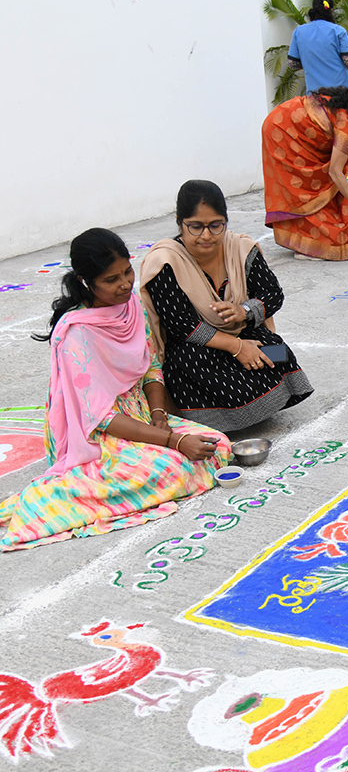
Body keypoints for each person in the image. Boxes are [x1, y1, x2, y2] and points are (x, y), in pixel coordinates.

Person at [0, 230, 232, 552]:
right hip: (98, 431)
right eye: (111, 279)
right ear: (86, 282)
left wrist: (159, 415)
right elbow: (100, 416)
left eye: (127, 272)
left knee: (217, 445)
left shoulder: (130, 305)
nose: (124, 284)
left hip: (139, 414)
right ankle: (42, 502)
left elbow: (150, 365)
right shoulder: (76, 334)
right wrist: (172, 439)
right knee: (171, 467)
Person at [140, 181, 313, 431]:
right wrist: (237, 347)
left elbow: (272, 294)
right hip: (195, 349)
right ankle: (224, 417)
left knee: (279, 353)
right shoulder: (165, 262)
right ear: (180, 222)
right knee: (199, 365)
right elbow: (181, 325)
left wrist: (244, 311)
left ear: (226, 221)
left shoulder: (240, 248)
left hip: (242, 336)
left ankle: (253, 404)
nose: (207, 236)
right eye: (196, 227)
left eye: (215, 225)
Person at [262, 86, 348, 260]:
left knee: (345, 219)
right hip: (283, 130)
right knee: (304, 191)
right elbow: (335, 172)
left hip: (288, 121)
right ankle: (305, 246)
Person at [287, 0, 348, 197]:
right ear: (330, 11)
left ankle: (323, 187)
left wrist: (312, 61)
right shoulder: (337, 31)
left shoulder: (299, 32)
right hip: (344, 97)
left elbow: (293, 64)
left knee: (321, 141)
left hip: (315, 99)